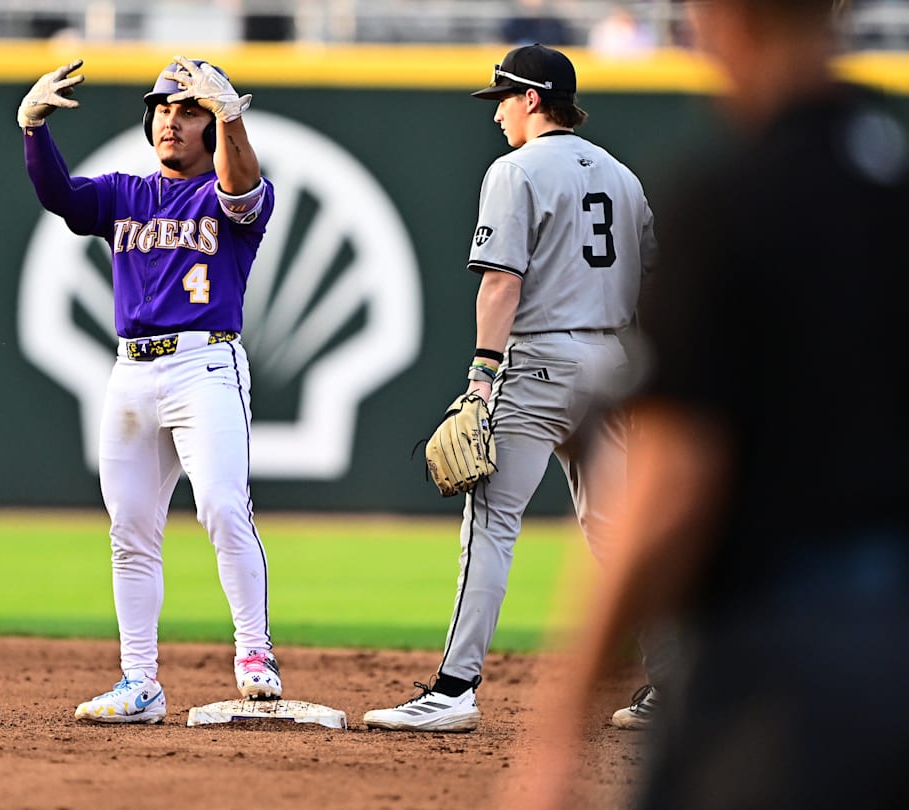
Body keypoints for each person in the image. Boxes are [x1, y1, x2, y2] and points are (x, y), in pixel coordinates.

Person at [506, 1, 909, 807]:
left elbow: (672, 490)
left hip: (777, 656)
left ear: (728, 23)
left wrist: (560, 727)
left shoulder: (727, 201)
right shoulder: (892, 188)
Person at [363, 43, 676, 733]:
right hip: (612, 362)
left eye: (503, 98)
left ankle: (453, 690)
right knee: (619, 531)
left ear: (532, 98)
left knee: (491, 523)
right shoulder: (622, 177)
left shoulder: (515, 170)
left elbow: (501, 281)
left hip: (537, 364)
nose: (497, 112)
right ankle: (675, 686)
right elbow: (655, 282)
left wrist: (481, 377)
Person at [18, 56, 280, 724]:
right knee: (130, 529)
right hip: (131, 373)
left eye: (188, 111)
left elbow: (242, 189)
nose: (171, 120)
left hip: (206, 366)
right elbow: (61, 196)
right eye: (163, 108)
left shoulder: (226, 193)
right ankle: (140, 682)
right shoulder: (122, 194)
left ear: (210, 125)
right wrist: (33, 131)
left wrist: (230, 118)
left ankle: (254, 652)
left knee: (222, 506)